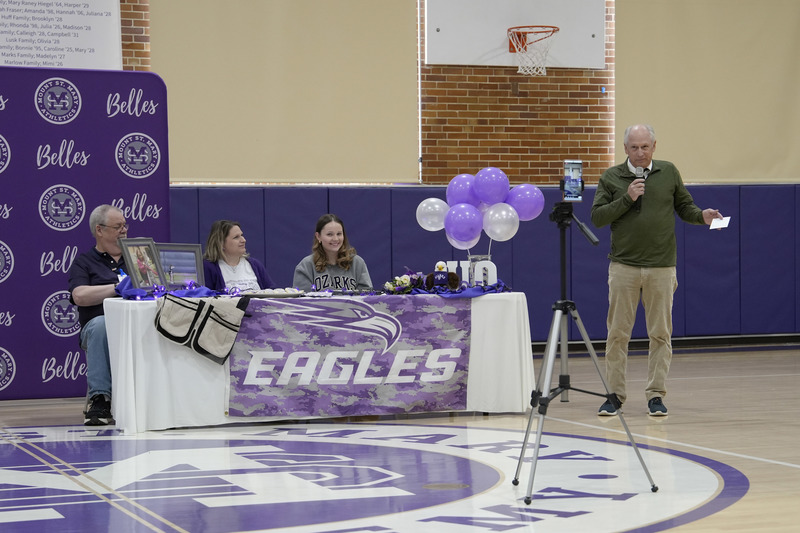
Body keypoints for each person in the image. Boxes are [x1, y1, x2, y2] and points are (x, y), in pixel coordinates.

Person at [590, 124, 723, 417]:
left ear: (654, 146)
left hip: (662, 267)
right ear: (625, 149)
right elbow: (598, 217)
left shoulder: (668, 172)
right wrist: (628, 198)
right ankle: (614, 395)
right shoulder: (612, 177)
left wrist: (702, 216)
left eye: (645, 147)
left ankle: (656, 395)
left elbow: (685, 206)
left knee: (661, 334)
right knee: (617, 335)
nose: (640, 153)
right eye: (634, 147)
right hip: (623, 266)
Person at [68, 204, 129, 426]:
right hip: (100, 330)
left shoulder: (138, 258)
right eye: (118, 226)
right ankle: (100, 400)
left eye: (125, 226)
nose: (124, 230)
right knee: (102, 325)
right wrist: (118, 288)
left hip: (135, 326)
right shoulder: (84, 262)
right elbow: (80, 296)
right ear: (99, 230)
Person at [292, 213, 372, 292]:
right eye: (330, 234)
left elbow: (367, 297)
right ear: (318, 236)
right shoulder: (306, 266)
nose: (336, 239)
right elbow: (301, 301)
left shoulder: (357, 263)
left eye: (339, 234)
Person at [203, 220, 276, 292]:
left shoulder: (255, 265)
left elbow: (272, 294)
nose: (243, 240)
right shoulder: (208, 267)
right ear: (221, 243)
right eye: (236, 237)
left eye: (241, 235)